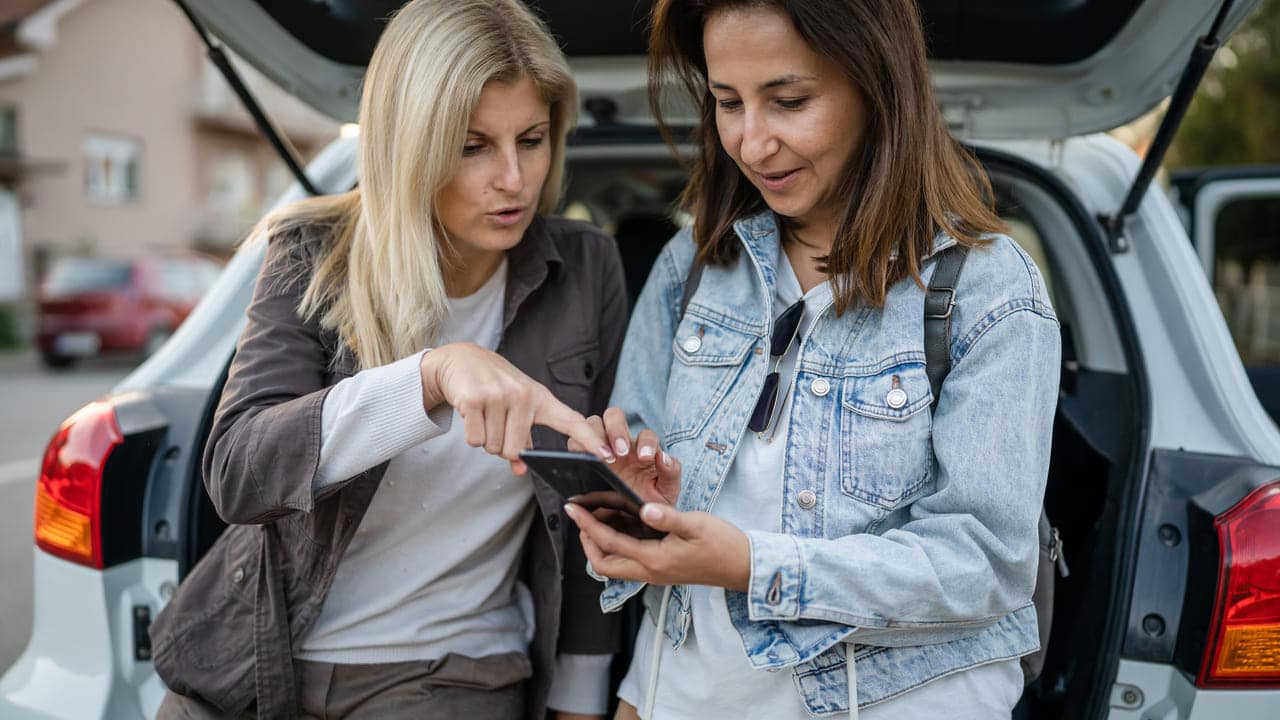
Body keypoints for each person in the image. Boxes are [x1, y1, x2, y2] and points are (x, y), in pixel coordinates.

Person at [564, 0, 1061, 718]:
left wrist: (752, 566)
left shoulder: (989, 290)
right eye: (727, 103)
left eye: (788, 101)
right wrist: (633, 495)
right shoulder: (694, 264)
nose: (752, 142)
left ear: (876, 85)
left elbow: (985, 563)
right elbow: (641, 484)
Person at [149, 1, 626, 717]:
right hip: (248, 660)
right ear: (411, 146)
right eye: (472, 147)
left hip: (450, 670)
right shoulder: (312, 253)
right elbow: (238, 473)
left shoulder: (585, 269)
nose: (514, 179)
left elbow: (595, 504)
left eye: (531, 140)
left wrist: (581, 700)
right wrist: (430, 376)